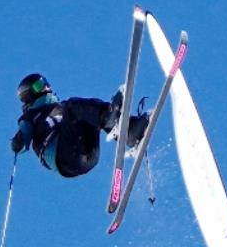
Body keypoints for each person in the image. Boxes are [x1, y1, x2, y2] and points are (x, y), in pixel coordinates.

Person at [10, 74, 149, 178]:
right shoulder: (31, 116)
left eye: (45, 82)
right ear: (29, 95)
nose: (46, 86)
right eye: (39, 85)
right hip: (63, 157)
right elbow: (22, 143)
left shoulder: (62, 107)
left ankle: (130, 133)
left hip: (87, 156)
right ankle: (109, 119)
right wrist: (18, 142)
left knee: (88, 113)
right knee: (73, 106)